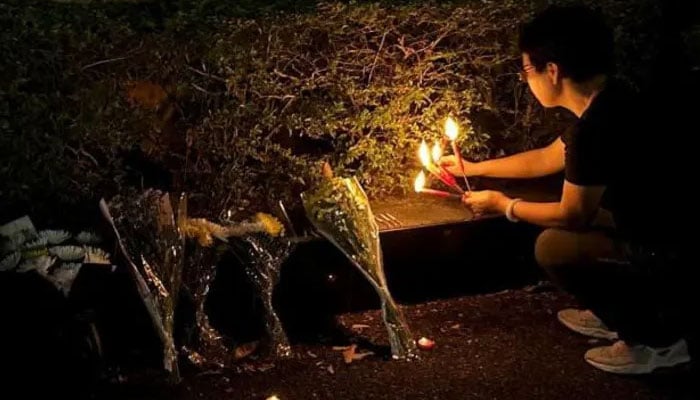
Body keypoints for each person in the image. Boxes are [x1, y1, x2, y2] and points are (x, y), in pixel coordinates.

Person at [440, 4, 692, 374]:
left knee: (554, 247)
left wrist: (504, 205)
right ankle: (616, 311)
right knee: (554, 207)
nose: (525, 80)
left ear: (552, 71)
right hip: (661, 221)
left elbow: (573, 215)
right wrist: (473, 168)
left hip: (666, 245)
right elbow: (547, 157)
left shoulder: (596, 128)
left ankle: (657, 340)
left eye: (527, 69)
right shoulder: (613, 98)